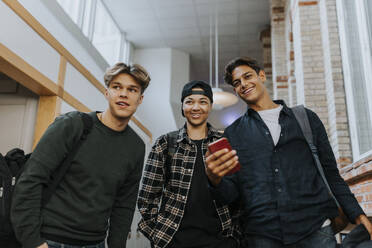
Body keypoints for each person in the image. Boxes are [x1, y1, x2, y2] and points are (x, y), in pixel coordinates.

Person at [205, 56, 372, 247]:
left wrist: (358, 215)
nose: (243, 84)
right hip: (262, 236)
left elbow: (331, 174)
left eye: (247, 76)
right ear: (235, 90)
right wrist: (214, 180)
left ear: (261, 76)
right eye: (237, 83)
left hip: (316, 230)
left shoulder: (305, 119)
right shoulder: (234, 133)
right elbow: (231, 195)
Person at [11, 62, 151, 248]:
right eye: (117, 87)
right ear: (107, 92)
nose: (123, 94)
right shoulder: (72, 125)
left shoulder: (136, 147)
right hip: (51, 239)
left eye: (132, 89)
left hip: (95, 243)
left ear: (140, 99)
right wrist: (33, 242)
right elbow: (30, 180)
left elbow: (124, 205)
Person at [137, 80, 238, 248]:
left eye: (203, 102)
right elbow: (147, 197)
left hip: (219, 241)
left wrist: (232, 238)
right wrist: (158, 234)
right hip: (174, 241)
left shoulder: (225, 144)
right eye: (189, 101)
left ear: (210, 106)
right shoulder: (165, 143)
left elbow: (235, 195)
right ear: (182, 107)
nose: (196, 107)